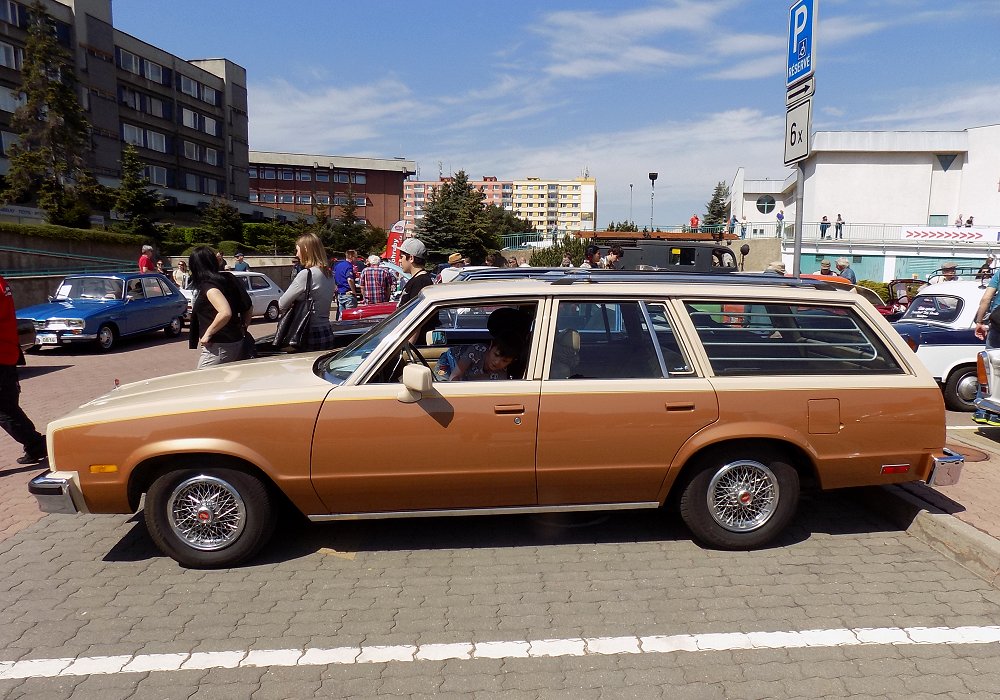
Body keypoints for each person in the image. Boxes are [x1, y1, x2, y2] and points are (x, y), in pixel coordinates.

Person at [0, 274, 47, 464]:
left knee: (5, 409)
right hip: (6, 353)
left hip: (2, 355)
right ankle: (36, 445)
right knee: (7, 407)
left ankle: (37, 444)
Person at [188, 246, 253, 369]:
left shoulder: (209, 286)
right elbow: (248, 307)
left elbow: (225, 312)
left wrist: (208, 333)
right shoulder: (229, 279)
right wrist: (244, 327)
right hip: (236, 340)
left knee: (202, 381)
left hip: (218, 346)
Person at [279, 233, 336, 350]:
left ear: (306, 249)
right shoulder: (329, 274)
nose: (297, 255)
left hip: (307, 332)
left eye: (297, 250)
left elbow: (282, 303)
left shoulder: (306, 274)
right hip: (326, 330)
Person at [398, 237, 433, 307]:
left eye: (401, 257)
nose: (399, 260)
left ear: (411, 258)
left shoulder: (420, 283)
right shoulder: (418, 279)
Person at [333, 250, 358, 320]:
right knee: (350, 317)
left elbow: (333, 277)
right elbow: (349, 279)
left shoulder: (338, 265)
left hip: (340, 293)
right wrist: (354, 291)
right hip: (348, 293)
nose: (356, 259)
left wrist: (335, 288)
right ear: (351, 257)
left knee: (342, 315)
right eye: (355, 257)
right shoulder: (349, 266)